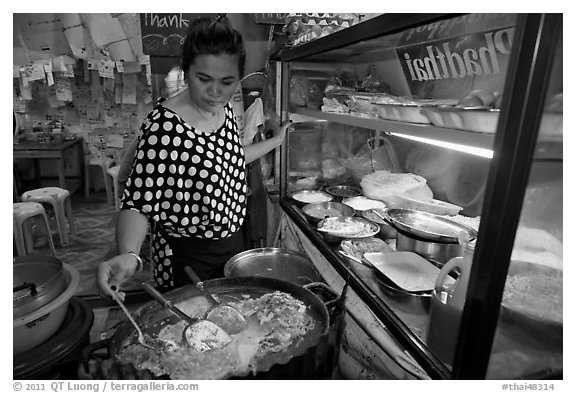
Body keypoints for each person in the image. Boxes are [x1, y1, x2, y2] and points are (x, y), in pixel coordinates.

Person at [97, 15, 290, 299]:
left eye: (227, 82)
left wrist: (275, 141)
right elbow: (138, 202)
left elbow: (230, 158)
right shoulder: (164, 126)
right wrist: (129, 253)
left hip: (232, 245)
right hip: (188, 256)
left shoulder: (222, 111)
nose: (215, 92)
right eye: (204, 79)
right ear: (186, 72)